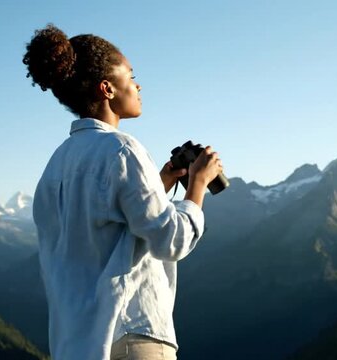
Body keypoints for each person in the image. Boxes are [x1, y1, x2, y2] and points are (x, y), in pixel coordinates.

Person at [24, 24, 222, 360]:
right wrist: (197, 185)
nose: (138, 84)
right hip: (135, 333)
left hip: (80, 343)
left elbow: (101, 229)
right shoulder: (122, 150)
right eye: (130, 76)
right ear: (108, 88)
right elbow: (170, 241)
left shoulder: (56, 165)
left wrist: (158, 185)